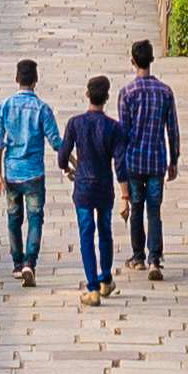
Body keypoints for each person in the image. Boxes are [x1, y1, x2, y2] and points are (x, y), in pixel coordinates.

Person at [109, 34, 178, 279]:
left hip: (134, 162)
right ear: (151, 60)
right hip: (157, 160)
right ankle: (155, 260)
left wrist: (119, 164)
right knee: (154, 212)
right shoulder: (165, 92)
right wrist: (174, 160)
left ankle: (138, 257)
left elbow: (123, 133)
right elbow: (173, 129)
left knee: (137, 208)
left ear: (132, 61)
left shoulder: (127, 93)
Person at [0, 57, 59, 283]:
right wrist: (74, 164)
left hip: (11, 172)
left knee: (13, 218)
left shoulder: (5, 106)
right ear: (36, 80)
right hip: (34, 173)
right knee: (35, 218)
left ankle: (17, 263)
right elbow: (57, 143)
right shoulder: (42, 109)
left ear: (16, 79)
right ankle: (30, 262)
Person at [61, 71, 124, 299]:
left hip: (83, 188)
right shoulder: (113, 127)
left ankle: (92, 288)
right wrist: (126, 194)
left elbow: (62, 155)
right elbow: (119, 163)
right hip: (104, 187)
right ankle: (106, 277)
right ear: (106, 98)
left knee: (86, 234)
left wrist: (68, 169)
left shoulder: (75, 123)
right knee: (105, 231)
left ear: (87, 95)